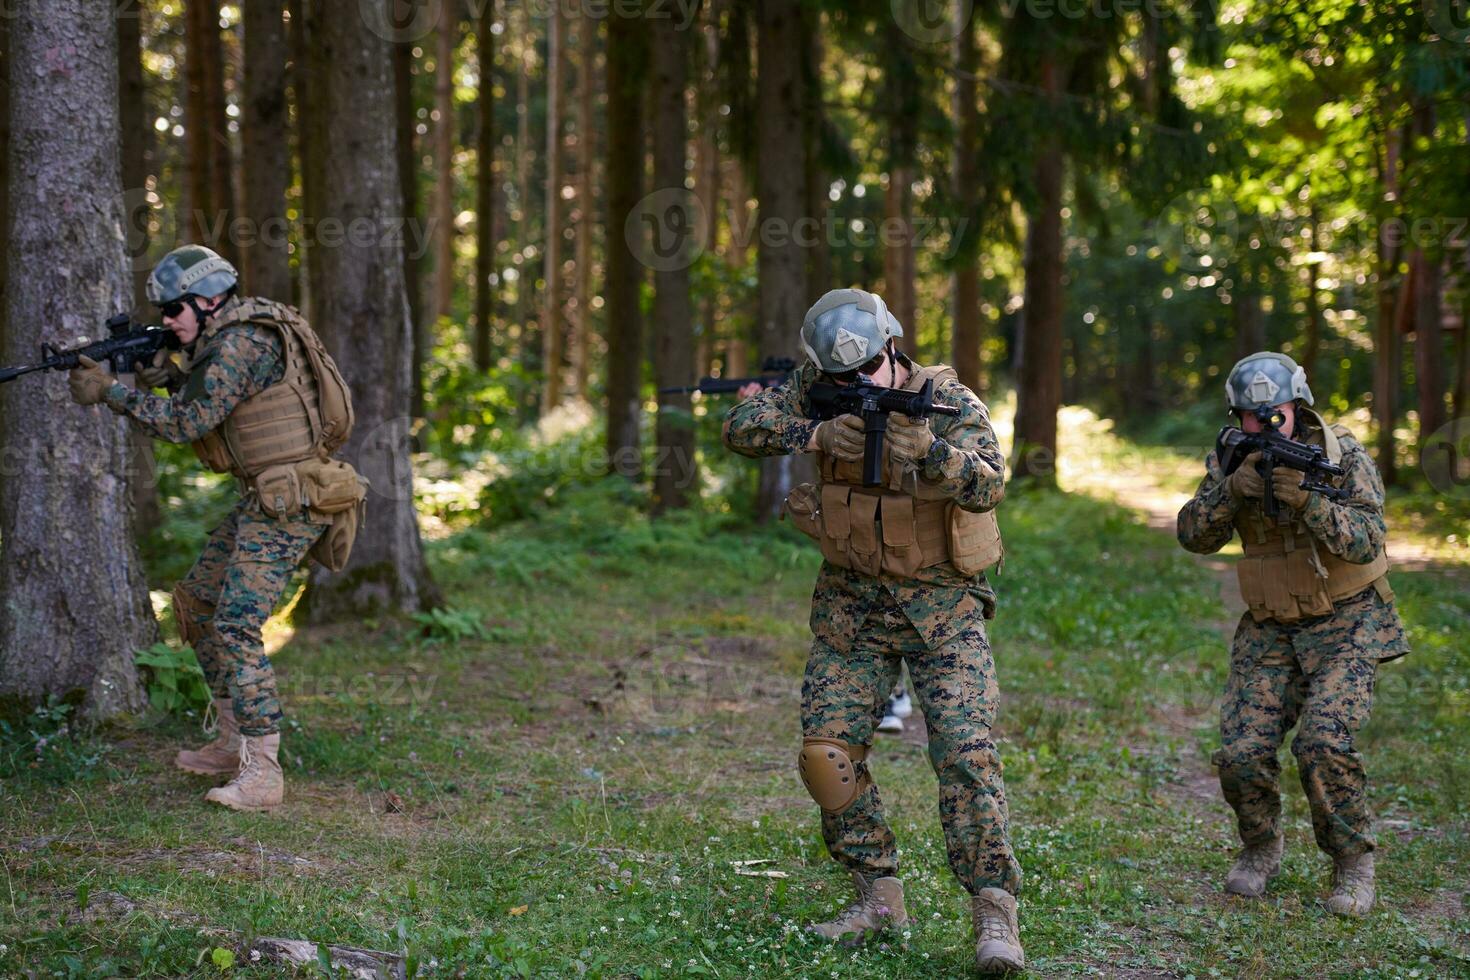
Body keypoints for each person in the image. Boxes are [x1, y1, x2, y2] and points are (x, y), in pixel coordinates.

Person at [723, 288, 1022, 972]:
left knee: (967, 759)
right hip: (851, 609)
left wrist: (933, 454)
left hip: (942, 612)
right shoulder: (814, 388)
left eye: (866, 374)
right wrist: (815, 432)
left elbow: (989, 484)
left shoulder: (946, 399)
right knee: (825, 758)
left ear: (892, 348)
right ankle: (878, 896)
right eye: (839, 380)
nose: (855, 389)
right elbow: (741, 426)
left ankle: (994, 911)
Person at [68, 244, 360, 813]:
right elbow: (214, 403)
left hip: (293, 499)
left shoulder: (242, 341)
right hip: (269, 496)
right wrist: (169, 376)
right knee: (197, 601)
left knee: (235, 623)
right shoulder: (226, 339)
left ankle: (263, 774)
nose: (168, 320)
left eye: (175, 308)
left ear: (208, 299)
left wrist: (113, 392)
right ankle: (232, 741)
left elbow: (188, 424)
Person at [1176, 351, 1407, 916]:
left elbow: (1367, 540)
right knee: (1239, 752)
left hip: (1347, 618)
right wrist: (1232, 491)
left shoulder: (1339, 454)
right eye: (1251, 417)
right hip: (1272, 620)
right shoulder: (1231, 458)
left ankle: (1352, 861)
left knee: (1323, 743)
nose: (1263, 426)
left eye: (1273, 414)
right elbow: (1193, 535)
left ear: (1295, 407)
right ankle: (1261, 847)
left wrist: (1309, 501)